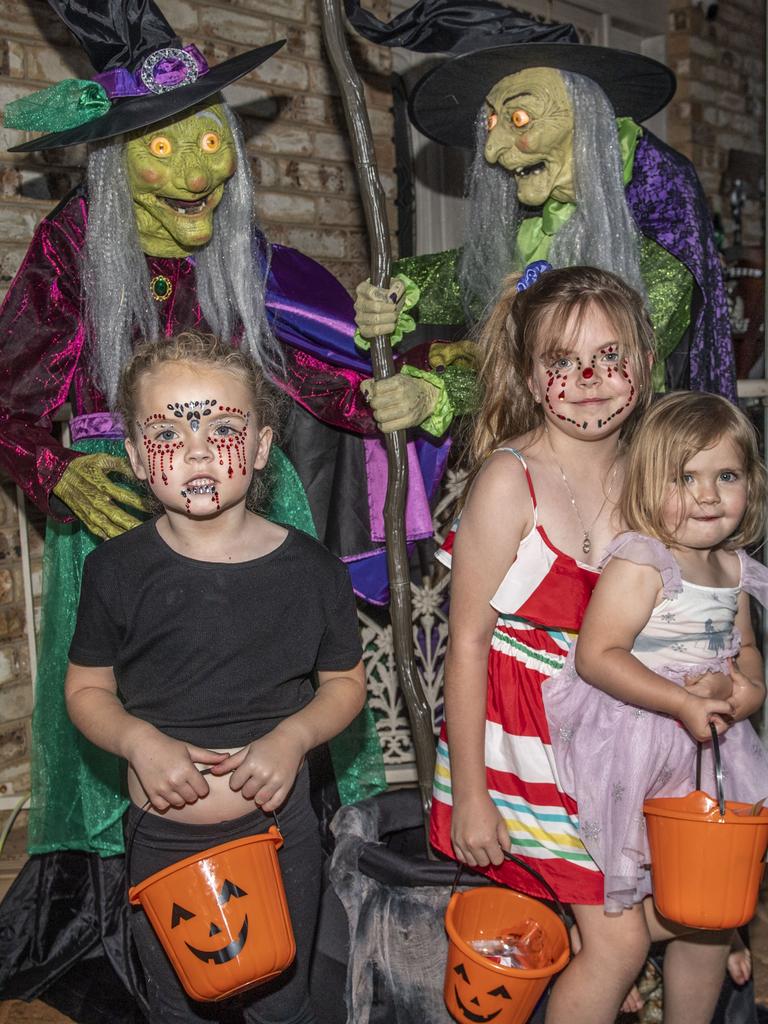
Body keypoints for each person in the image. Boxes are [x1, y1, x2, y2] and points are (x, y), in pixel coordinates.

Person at [427, 264, 747, 1024]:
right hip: (525, 744)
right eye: (563, 364)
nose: (591, 380)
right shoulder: (511, 482)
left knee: (698, 904)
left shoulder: (652, 472)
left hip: (624, 731)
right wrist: (470, 794)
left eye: (610, 359)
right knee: (618, 944)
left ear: (641, 363)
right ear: (533, 379)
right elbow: (466, 641)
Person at [64, 331, 366, 1024]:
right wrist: (138, 741)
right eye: (168, 432)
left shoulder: (313, 570)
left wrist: (293, 739)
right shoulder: (114, 571)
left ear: (261, 448)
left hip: (279, 833)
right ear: (137, 458)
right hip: (165, 841)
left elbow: (345, 685)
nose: (198, 450)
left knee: (283, 1001)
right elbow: (85, 691)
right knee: (178, 1002)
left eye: (223, 428)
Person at [540, 391, 768, 1022]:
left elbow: (744, 652)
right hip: (635, 743)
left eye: (726, 476)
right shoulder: (645, 560)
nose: (707, 495)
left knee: (707, 909)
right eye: (684, 477)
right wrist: (678, 700)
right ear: (647, 484)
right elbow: (599, 655)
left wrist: (746, 691)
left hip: (706, 755)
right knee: (632, 892)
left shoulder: (735, 569)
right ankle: (591, 939)